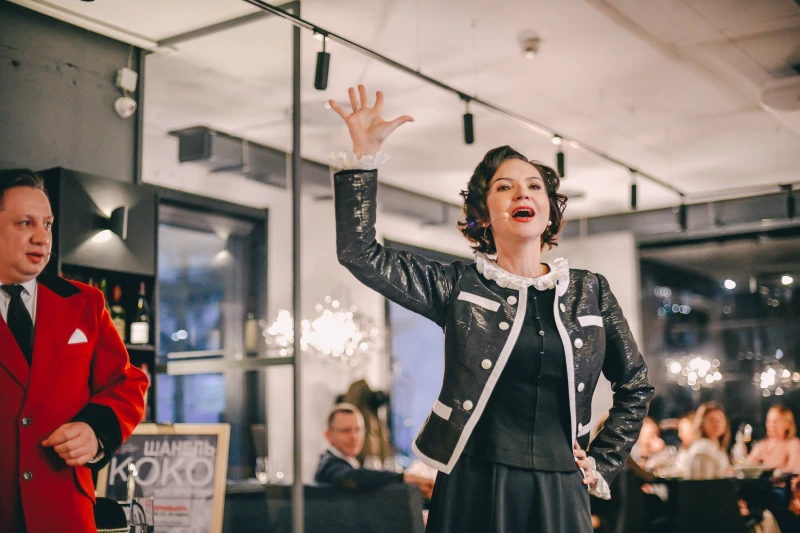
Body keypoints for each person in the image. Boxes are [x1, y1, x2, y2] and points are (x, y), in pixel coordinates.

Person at [328, 85, 654, 533]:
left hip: (562, 483)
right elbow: (361, 254)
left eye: (534, 186)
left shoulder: (590, 290)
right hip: (473, 482)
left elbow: (635, 384)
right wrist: (363, 159)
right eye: (505, 187)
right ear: (483, 212)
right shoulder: (458, 285)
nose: (523, 194)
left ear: (549, 210)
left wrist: (604, 459)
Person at [0, 169, 148, 532]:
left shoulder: (85, 302)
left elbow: (128, 383)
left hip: (65, 515)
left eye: (47, 224)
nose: (41, 237)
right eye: (25, 223)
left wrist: (96, 432)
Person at [314, 403, 434, 497]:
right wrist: (403, 478)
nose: (354, 437)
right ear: (328, 436)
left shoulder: (348, 461)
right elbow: (350, 478)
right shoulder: (328, 465)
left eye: (358, 429)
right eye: (346, 430)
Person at [684, 401, 732, 479]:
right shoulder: (702, 449)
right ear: (702, 423)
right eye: (712, 420)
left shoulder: (717, 447)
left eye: (720, 419)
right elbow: (704, 482)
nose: (717, 424)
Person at [747, 405, 800, 474]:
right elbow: (747, 467)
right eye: (768, 421)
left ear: (787, 424)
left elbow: (795, 470)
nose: (771, 425)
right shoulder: (761, 445)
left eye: (776, 422)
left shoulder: (793, 444)